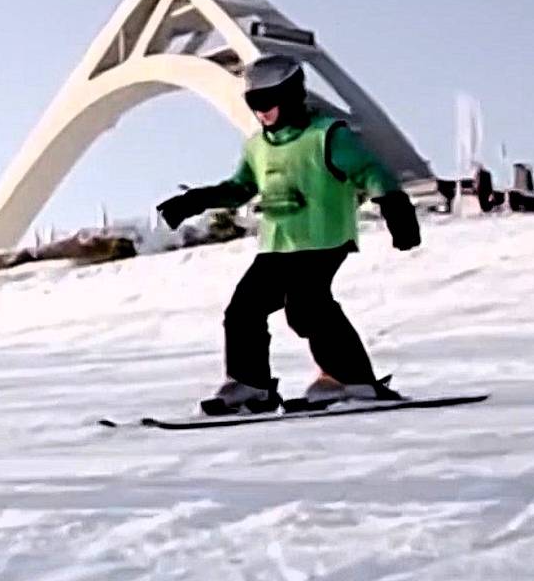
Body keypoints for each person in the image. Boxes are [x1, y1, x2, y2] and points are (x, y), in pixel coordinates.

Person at [157, 55, 421, 414]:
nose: (261, 111)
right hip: (277, 244)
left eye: (268, 101)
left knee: (306, 308)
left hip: (323, 239)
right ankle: (252, 386)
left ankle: (350, 379)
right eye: (253, 103)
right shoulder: (257, 146)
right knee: (243, 310)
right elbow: (240, 187)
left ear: (292, 95)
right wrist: (196, 200)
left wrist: (394, 206)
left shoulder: (327, 134)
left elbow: (369, 170)